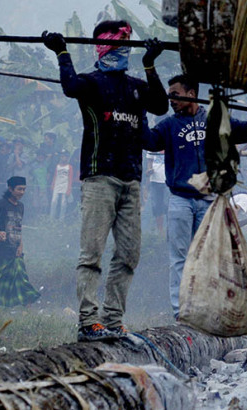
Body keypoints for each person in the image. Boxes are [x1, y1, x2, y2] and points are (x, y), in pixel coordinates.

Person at [42, 20, 168, 341]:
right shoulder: (91, 83)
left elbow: (160, 104)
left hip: (131, 181)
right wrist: (61, 52)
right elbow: (69, 86)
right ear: (102, 47)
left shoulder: (136, 87)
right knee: (92, 253)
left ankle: (113, 320)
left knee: (129, 254)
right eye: (118, 44)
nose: (122, 51)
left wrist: (150, 65)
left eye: (127, 45)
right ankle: (88, 321)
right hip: (99, 178)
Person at [141, 74, 247, 318]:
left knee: (208, 257)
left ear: (191, 94)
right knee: (179, 258)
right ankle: (181, 312)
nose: (171, 99)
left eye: (175, 94)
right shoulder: (169, 125)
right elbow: (149, 140)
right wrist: (141, 115)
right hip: (180, 199)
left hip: (209, 200)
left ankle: (207, 310)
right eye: (169, 95)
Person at [0, 176, 40, 307]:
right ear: (10, 189)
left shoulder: (21, 206)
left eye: (24, 189)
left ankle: (25, 306)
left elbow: (18, 227)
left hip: (15, 250)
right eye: (19, 189)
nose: (22, 192)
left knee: (22, 279)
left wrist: (21, 245)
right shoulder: (0, 204)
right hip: (0, 250)